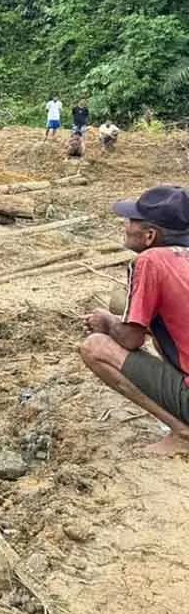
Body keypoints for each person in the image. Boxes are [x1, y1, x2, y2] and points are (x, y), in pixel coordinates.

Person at [79, 186, 189, 456]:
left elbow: (131, 339)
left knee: (95, 347)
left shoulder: (151, 261)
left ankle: (182, 432)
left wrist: (107, 321)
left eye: (131, 221)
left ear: (150, 235)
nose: (126, 225)